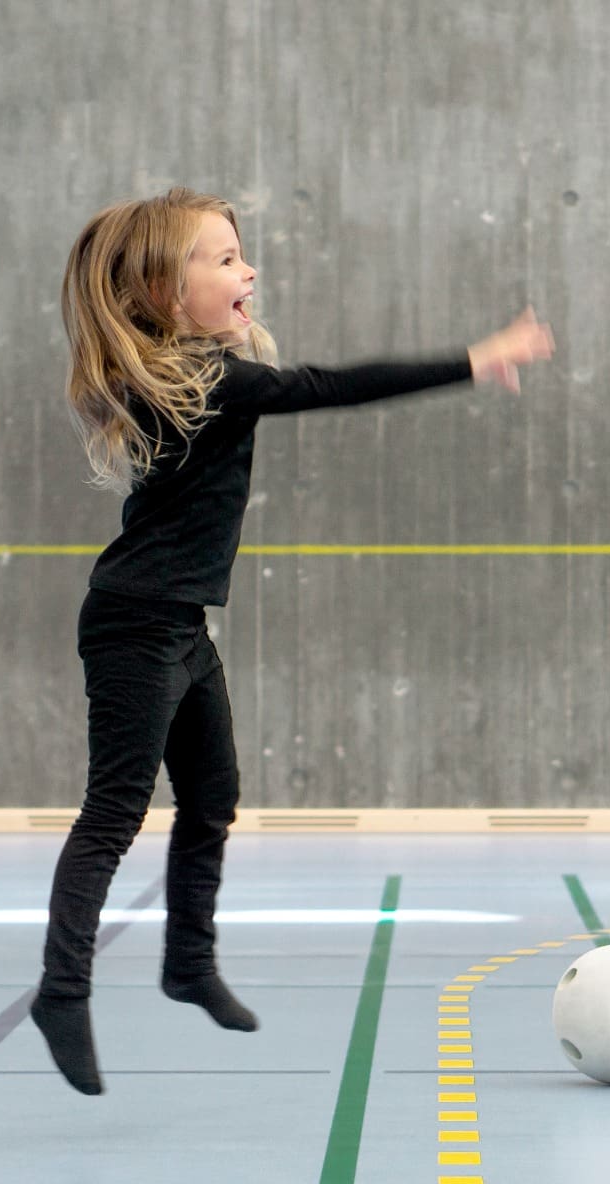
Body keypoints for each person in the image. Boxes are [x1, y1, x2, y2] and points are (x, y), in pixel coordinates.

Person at [30, 186, 554, 1094]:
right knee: (112, 815)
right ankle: (61, 992)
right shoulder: (211, 384)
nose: (251, 270)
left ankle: (188, 964)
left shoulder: (190, 373)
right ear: (164, 289)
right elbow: (331, 386)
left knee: (213, 797)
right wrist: (477, 357)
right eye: (226, 259)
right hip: (136, 626)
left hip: (177, 623)